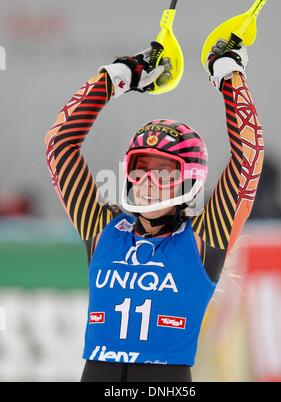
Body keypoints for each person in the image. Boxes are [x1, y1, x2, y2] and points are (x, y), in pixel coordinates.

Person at [45, 40, 264, 382]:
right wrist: (117, 77)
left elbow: (247, 158)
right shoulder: (103, 229)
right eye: (140, 168)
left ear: (187, 183)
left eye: (164, 172)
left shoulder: (203, 239)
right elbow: (59, 143)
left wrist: (229, 75)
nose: (148, 181)